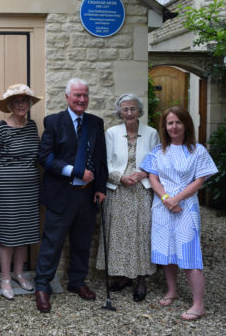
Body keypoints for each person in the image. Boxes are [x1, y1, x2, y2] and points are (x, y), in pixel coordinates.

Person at [34, 78, 108, 313]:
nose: (82, 99)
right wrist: (74, 171)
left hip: (87, 196)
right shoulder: (54, 122)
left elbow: (100, 159)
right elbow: (44, 158)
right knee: (52, 243)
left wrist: (100, 187)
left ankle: (77, 282)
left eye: (85, 95)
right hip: (61, 194)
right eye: (77, 95)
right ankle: (42, 286)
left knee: (82, 243)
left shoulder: (95, 123)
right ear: (67, 97)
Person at [140, 106, 218, 321]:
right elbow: (152, 177)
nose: (173, 127)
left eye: (178, 122)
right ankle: (172, 290)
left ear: (186, 125)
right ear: (164, 127)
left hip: (185, 208)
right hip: (162, 208)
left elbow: (200, 180)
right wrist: (166, 199)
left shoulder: (197, 150)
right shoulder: (158, 150)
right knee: (167, 252)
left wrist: (176, 199)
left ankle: (198, 304)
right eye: (169, 123)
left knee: (190, 254)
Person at [96, 93, 159, 302]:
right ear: (120, 112)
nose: (129, 113)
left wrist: (145, 173)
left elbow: (158, 161)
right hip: (119, 190)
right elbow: (104, 161)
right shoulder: (112, 133)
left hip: (142, 190)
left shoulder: (151, 133)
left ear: (140, 111)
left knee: (142, 234)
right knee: (120, 235)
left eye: (133, 109)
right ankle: (123, 276)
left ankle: (141, 279)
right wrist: (119, 177)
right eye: (125, 109)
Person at [0, 84, 41, 300]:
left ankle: (19, 272)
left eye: (25, 101)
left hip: (29, 189)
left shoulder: (32, 126)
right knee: (8, 234)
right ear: (10, 105)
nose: (21, 104)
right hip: (5, 189)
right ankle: (5, 278)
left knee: (24, 232)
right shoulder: (0, 128)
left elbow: (36, 155)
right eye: (17, 101)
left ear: (29, 104)